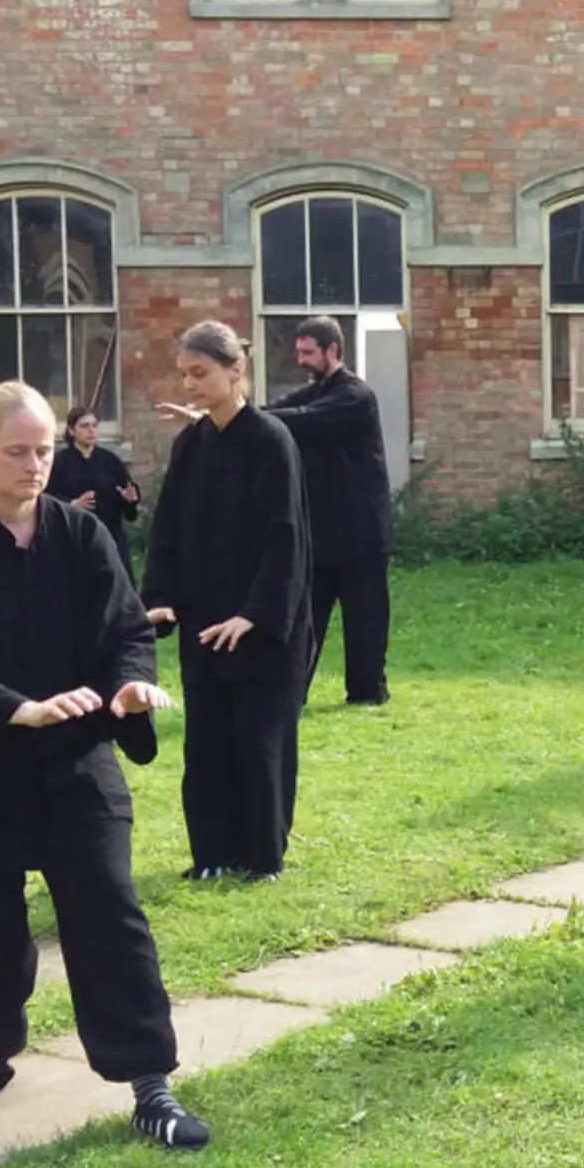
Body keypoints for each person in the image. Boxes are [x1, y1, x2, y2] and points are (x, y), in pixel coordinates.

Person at [0, 380, 205, 1149]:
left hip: (72, 757)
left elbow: (126, 627)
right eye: (17, 451)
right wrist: (15, 707)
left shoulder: (80, 536)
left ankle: (149, 1083)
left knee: (108, 910)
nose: (35, 466)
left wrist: (131, 686)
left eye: (45, 450)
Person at [142, 322, 311, 883]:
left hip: (259, 630)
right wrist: (160, 598)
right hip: (202, 620)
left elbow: (284, 535)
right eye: (185, 374)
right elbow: (168, 526)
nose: (190, 384)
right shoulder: (191, 443)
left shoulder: (270, 441)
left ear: (236, 370)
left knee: (259, 743)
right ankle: (212, 854)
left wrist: (255, 613)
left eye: (201, 373)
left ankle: (264, 857)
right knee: (208, 744)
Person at [263, 316, 393, 706]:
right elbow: (275, 412)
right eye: (298, 351)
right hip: (321, 533)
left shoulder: (355, 396)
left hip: (361, 531)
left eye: (308, 352)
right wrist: (225, 414)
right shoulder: (314, 391)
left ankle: (367, 692)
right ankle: (290, 692)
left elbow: (309, 423)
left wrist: (248, 417)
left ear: (332, 350)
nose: (300, 359)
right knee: (307, 618)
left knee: (365, 620)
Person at [44, 405, 139, 572]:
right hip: (73, 537)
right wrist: (72, 504)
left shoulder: (111, 461)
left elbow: (128, 504)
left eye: (94, 425)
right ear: (72, 431)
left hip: (110, 536)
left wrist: (129, 499)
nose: (91, 430)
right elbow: (46, 498)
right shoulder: (59, 463)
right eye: (85, 426)